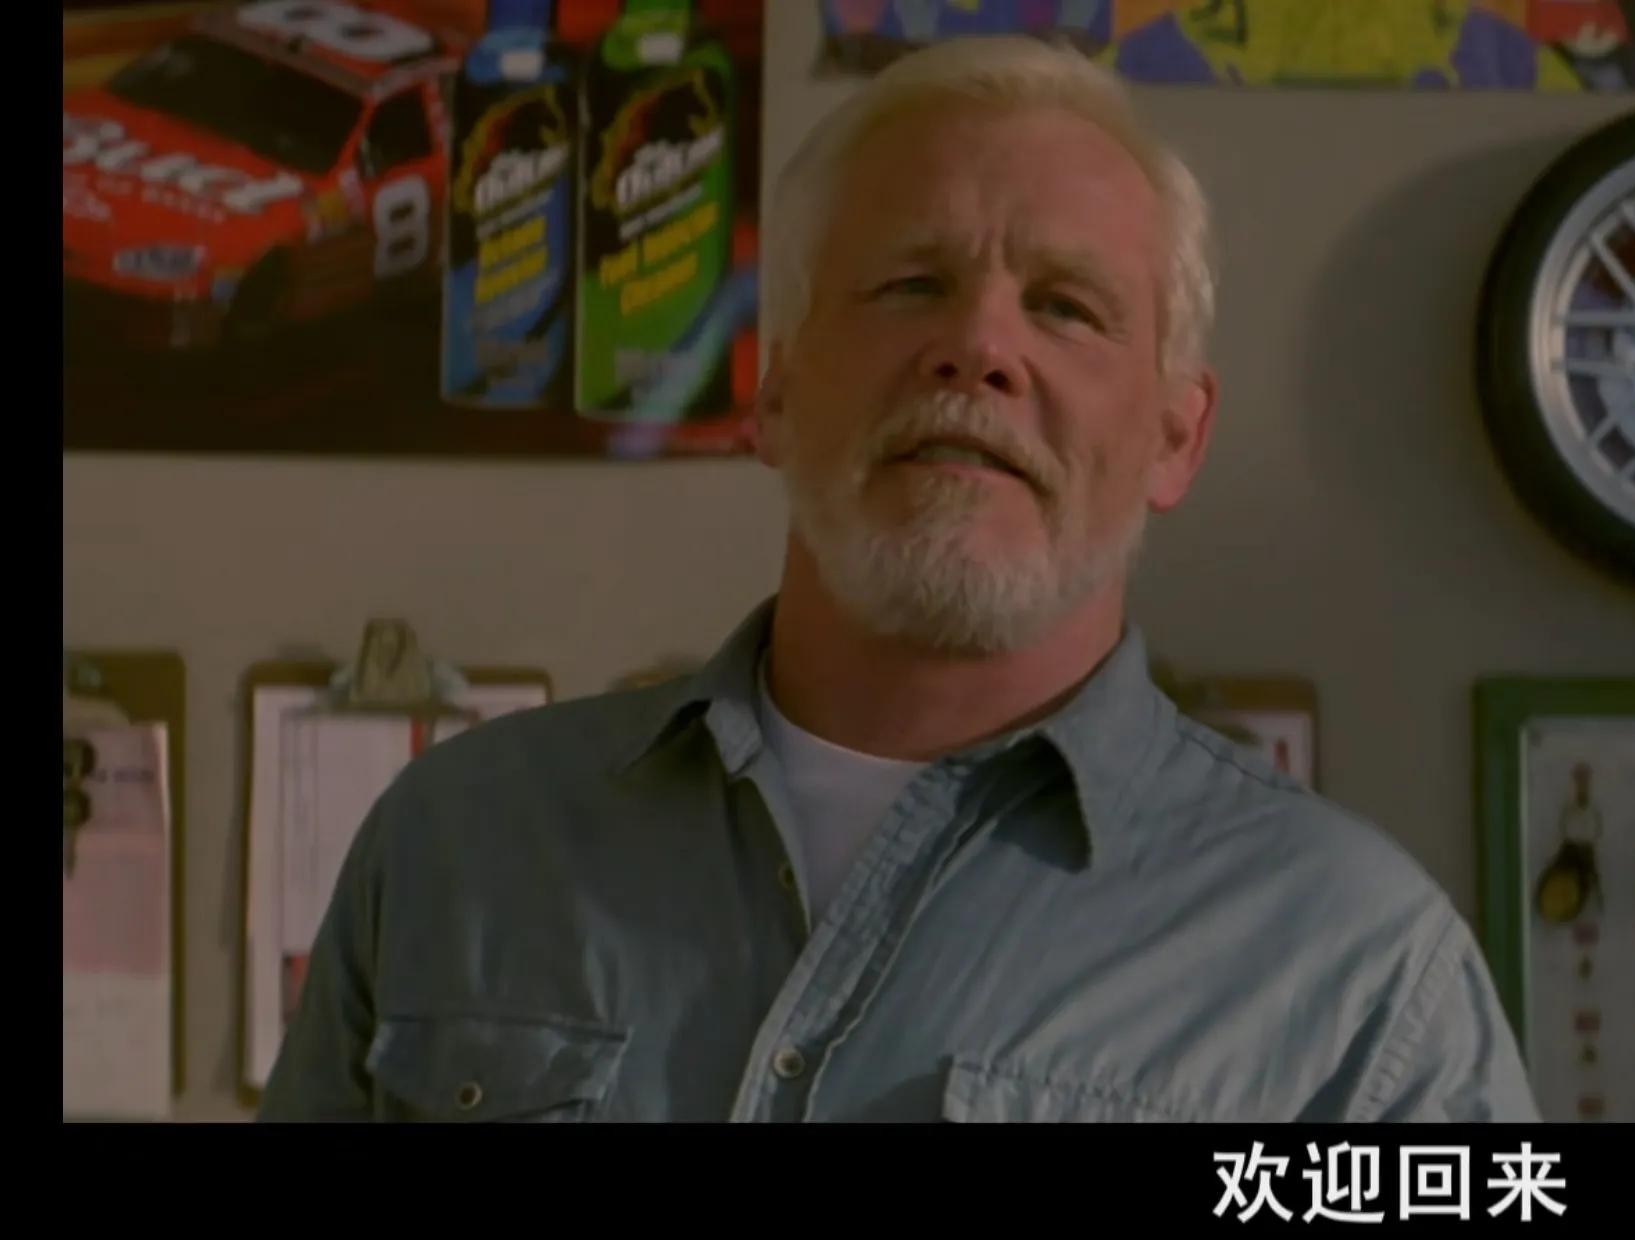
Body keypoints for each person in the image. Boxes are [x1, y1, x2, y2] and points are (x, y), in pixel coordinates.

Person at [259, 36, 1538, 1123]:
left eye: (1068, 307)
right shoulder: (459, 842)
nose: (978, 345)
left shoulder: (1358, 976)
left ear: (1173, 437)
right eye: (912, 283)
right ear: (775, 393)